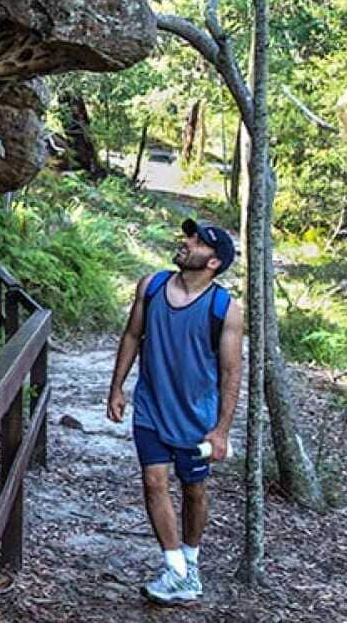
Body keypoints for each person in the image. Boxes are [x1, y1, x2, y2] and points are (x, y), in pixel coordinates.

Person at [105, 218, 244, 605]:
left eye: (196, 242)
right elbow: (133, 335)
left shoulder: (225, 309)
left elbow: (232, 372)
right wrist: (117, 387)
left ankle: (191, 559)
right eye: (188, 236)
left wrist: (221, 431)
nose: (186, 243)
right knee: (153, 481)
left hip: (196, 416)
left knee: (193, 490)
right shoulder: (151, 286)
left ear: (213, 262)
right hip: (151, 405)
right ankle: (175, 570)